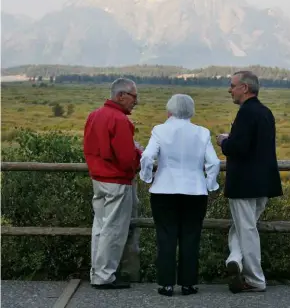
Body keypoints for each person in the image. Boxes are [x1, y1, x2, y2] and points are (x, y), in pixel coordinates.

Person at [140, 94, 221, 297]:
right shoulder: (202, 133)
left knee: (166, 237)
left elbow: (148, 156)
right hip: (195, 191)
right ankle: (189, 284)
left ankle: (166, 284)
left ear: (169, 111)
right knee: (191, 237)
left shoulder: (159, 130)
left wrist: (147, 176)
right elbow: (214, 163)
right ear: (191, 111)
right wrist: (210, 184)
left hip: (164, 190)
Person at [216, 71, 283, 294]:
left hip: (244, 183)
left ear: (245, 88)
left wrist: (224, 142)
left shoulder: (246, 113)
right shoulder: (265, 112)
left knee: (246, 230)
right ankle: (234, 259)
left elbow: (239, 148)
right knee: (242, 226)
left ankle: (255, 279)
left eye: (232, 85)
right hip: (264, 182)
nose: (229, 89)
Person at [83, 78, 142, 289]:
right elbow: (126, 158)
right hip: (117, 181)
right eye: (134, 97)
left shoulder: (94, 115)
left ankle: (97, 272)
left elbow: (89, 148)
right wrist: (140, 157)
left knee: (99, 226)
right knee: (114, 229)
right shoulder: (120, 120)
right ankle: (105, 276)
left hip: (98, 179)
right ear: (121, 96)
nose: (136, 102)